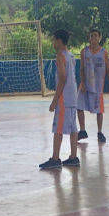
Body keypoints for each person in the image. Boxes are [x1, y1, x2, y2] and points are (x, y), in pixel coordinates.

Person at [40, 29, 79, 169]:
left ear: (59, 41)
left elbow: (62, 78)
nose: (53, 42)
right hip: (73, 96)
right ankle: (73, 157)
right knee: (73, 128)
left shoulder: (60, 56)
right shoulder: (71, 56)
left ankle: (55, 159)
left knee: (58, 129)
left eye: (53, 40)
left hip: (64, 97)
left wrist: (55, 100)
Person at [77, 29, 109, 143]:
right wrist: (82, 82)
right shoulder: (84, 51)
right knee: (79, 106)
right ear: (89, 38)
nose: (93, 37)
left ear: (99, 38)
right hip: (86, 84)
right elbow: (81, 68)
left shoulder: (104, 52)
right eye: (91, 35)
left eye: (95, 35)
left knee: (99, 110)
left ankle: (99, 132)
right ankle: (82, 130)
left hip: (98, 85)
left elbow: (108, 69)